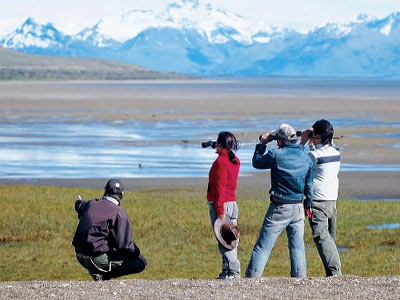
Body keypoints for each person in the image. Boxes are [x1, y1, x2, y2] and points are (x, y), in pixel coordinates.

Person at [245, 123, 313, 278]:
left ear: (280, 141)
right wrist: (308, 205)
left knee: (263, 247)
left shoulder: (276, 154)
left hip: (279, 207)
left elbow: (257, 162)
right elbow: (309, 185)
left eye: (277, 139)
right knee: (297, 247)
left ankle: (251, 279)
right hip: (297, 207)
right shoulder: (306, 157)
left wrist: (262, 144)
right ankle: (300, 279)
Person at [72, 179, 147, 281]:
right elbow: (124, 246)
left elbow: (80, 206)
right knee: (140, 263)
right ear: (121, 195)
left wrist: (79, 202)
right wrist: (137, 254)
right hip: (96, 259)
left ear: (105, 191)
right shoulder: (119, 213)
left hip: (79, 255)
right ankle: (103, 276)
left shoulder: (91, 204)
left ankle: (98, 272)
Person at [300, 119, 342, 276]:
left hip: (317, 201)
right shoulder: (336, 153)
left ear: (317, 136)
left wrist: (303, 143)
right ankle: (331, 273)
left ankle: (335, 272)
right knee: (329, 239)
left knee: (321, 238)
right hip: (332, 200)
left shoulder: (313, 155)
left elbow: (298, 163)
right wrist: (314, 141)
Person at [207, 131, 241, 279]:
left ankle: (234, 272)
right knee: (228, 238)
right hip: (232, 203)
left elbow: (220, 187)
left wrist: (219, 209)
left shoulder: (221, 162)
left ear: (220, 144)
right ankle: (227, 271)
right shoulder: (234, 160)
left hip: (222, 204)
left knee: (226, 241)